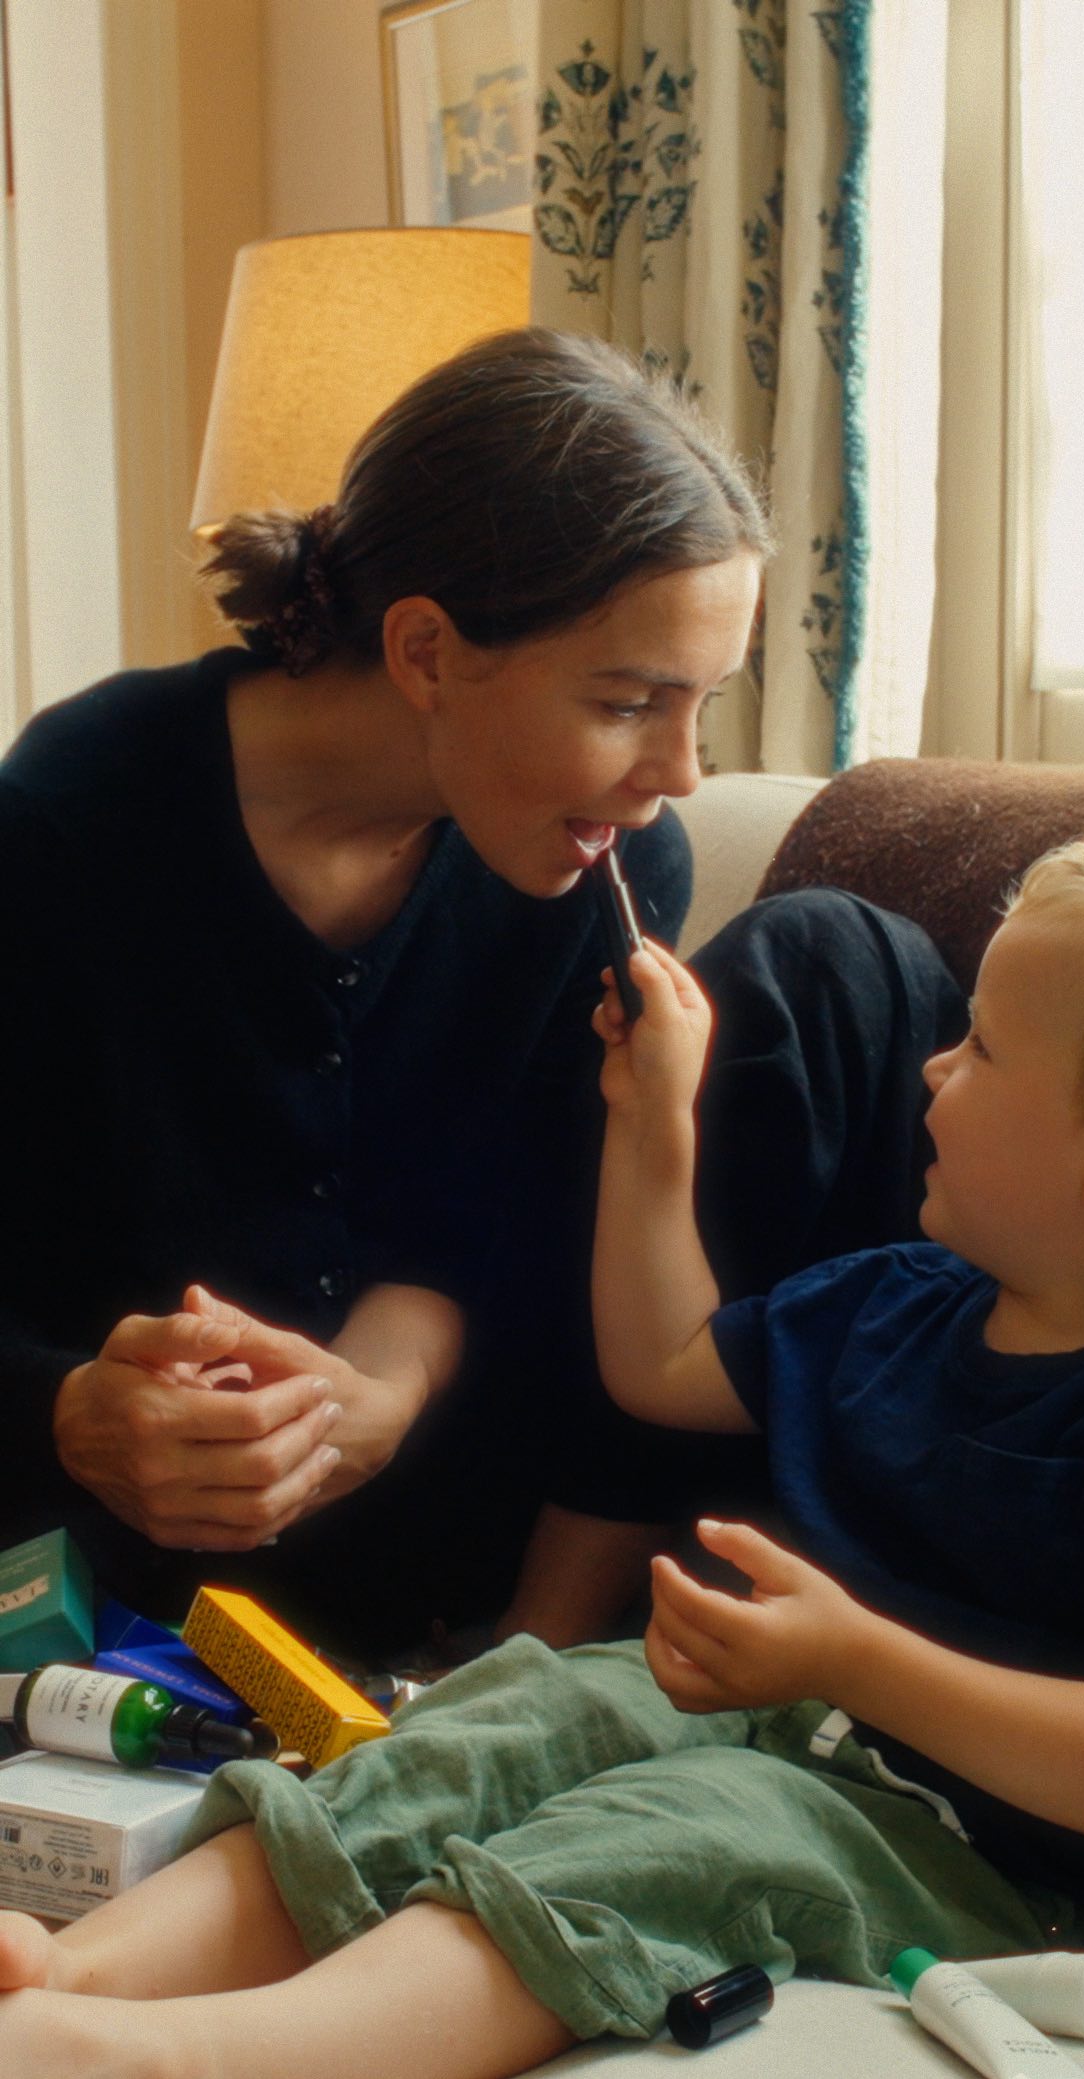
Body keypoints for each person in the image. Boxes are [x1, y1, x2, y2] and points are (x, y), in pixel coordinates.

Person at [0, 830, 1084, 2079]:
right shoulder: (899, 1301)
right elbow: (663, 1365)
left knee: (673, 1842)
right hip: (767, 1709)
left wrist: (855, 1661)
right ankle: (70, 1978)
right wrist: (653, 1128)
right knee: (521, 1704)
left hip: (960, 1842)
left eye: (976, 1048)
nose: (930, 1063)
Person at [0, 324, 772, 1658]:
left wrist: (386, 1386)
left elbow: (497, 1226)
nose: (681, 770)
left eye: (700, 702)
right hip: (112, 1576)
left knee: (800, 977)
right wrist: (71, 1409)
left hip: (458, 1564)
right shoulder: (74, 821)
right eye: (631, 699)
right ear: (423, 652)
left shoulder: (610, 865)